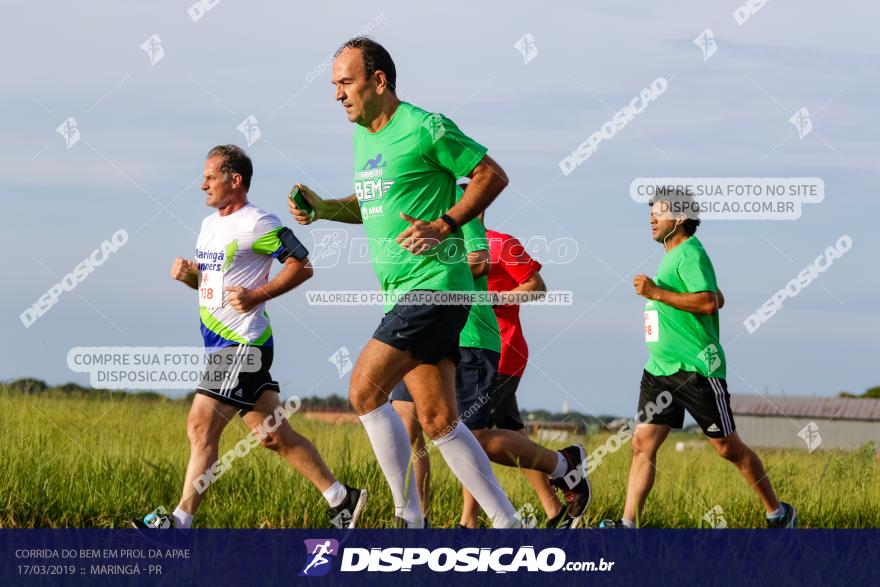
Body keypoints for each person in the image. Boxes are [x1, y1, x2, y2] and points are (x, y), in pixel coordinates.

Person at [288, 37, 522, 528]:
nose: (337, 95)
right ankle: (508, 525)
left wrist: (446, 224)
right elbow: (373, 203)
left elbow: (490, 174)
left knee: (364, 390)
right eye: (334, 85)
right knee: (439, 423)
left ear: (378, 81)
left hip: (434, 286)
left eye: (346, 82)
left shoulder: (424, 126)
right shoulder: (363, 136)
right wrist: (326, 208)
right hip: (408, 292)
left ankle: (407, 518)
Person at [132, 145, 368, 529]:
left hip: (243, 345)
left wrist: (259, 295)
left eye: (210, 177)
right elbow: (215, 290)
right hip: (221, 345)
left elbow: (302, 264)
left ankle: (178, 523)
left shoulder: (259, 222)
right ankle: (342, 499)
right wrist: (190, 277)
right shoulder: (209, 226)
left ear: (234, 180)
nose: (202, 184)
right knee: (273, 435)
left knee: (200, 425)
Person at [391, 189, 590, 529]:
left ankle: (470, 521)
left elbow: (537, 287)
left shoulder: (501, 244)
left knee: (471, 437)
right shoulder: (436, 243)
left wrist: (491, 296)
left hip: (497, 349)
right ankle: (554, 505)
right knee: (491, 432)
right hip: (439, 343)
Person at [599, 188, 796, 528]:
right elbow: (717, 296)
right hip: (659, 370)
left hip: (696, 370)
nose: (651, 218)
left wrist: (654, 292)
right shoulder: (673, 256)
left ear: (679, 218)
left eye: (659, 212)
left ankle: (778, 514)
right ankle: (627, 526)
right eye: (651, 212)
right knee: (641, 445)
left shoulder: (690, 252)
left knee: (726, 447)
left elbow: (707, 301)